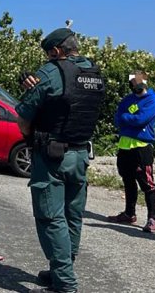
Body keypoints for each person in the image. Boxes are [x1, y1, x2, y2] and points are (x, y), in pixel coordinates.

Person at [15, 28, 105, 293]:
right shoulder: (94, 73)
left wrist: (33, 134)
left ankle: (64, 283)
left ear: (56, 51)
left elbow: (24, 119)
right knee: (72, 215)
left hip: (53, 155)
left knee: (51, 217)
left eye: (48, 54)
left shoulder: (49, 72)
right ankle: (61, 269)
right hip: (81, 154)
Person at [107, 71, 155, 232]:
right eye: (134, 84)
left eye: (139, 84)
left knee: (147, 184)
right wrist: (129, 119)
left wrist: (126, 118)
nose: (136, 87)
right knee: (128, 181)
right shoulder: (127, 100)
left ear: (145, 83)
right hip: (124, 146)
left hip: (142, 147)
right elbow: (117, 119)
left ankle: (152, 219)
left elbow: (141, 119)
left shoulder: (152, 99)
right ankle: (129, 213)